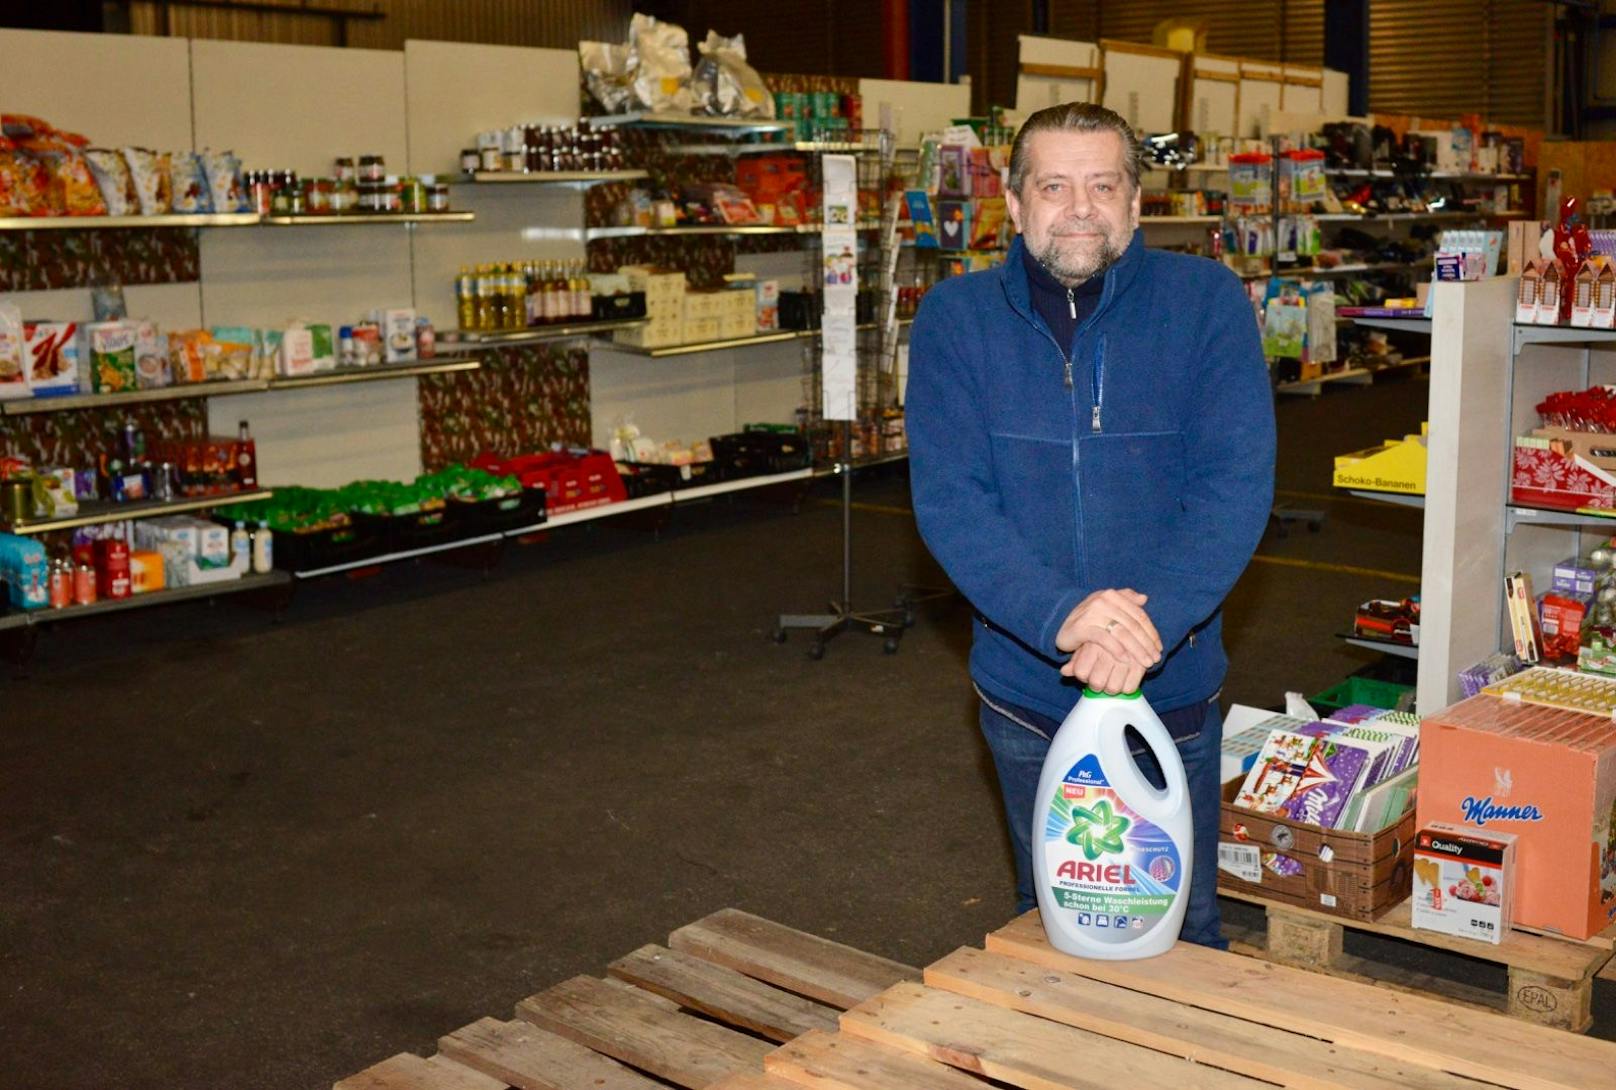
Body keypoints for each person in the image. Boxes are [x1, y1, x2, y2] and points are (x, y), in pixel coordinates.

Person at [906, 102, 1275, 949]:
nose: (1079, 207)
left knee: (1182, 928)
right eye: (1055, 185)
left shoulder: (1207, 304)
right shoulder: (955, 322)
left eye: (1103, 185)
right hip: (1031, 692)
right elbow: (952, 500)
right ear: (1016, 202)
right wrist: (1063, 617)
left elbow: (1233, 485)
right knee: (1057, 931)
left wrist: (1143, 624)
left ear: (1137, 203)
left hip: (1169, 686)